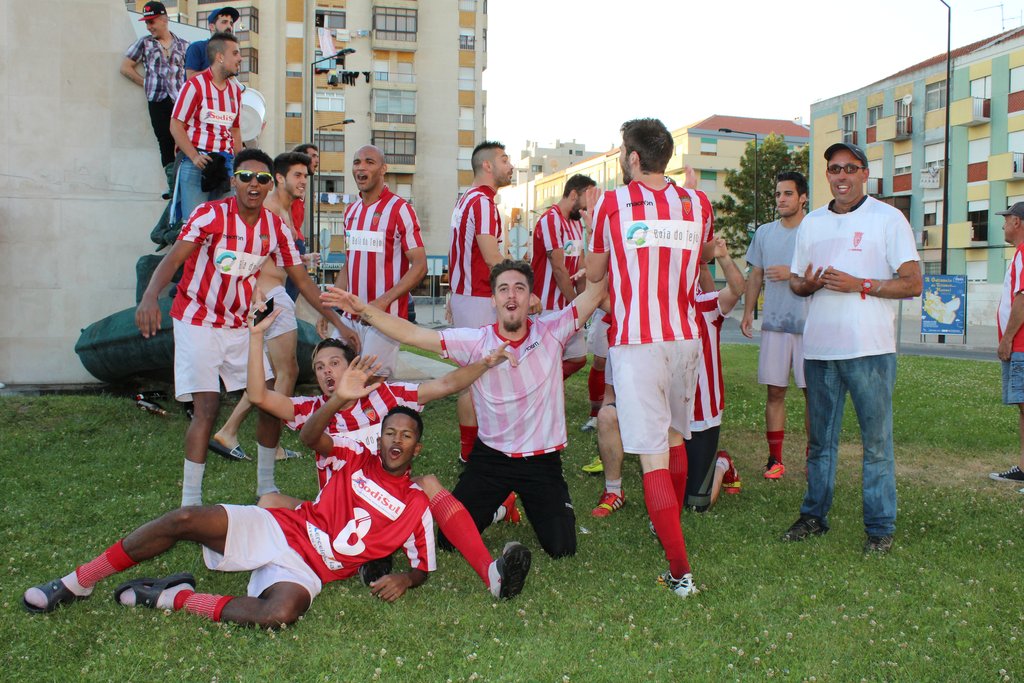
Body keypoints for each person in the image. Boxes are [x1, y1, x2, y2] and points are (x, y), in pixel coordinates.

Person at [22, 406, 489, 626]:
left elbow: (423, 566)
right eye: (390, 432)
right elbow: (309, 438)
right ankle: (77, 581)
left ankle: (172, 597)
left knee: (279, 615)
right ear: (380, 438)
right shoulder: (354, 457)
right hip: (281, 529)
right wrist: (335, 400)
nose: (395, 440)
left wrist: (406, 579)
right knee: (184, 519)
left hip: (309, 570)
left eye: (406, 436)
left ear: (417, 448)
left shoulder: (416, 506)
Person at [322, 260, 607, 558]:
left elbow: (595, 292)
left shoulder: (552, 329)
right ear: (493, 299)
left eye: (519, 288)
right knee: (448, 540)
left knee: (562, 549)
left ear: (530, 296)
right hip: (492, 458)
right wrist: (362, 309)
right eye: (503, 289)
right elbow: (412, 335)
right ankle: (501, 508)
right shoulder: (476, 341)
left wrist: (601, 256)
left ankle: (524, 505)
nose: (511, 295)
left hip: (541, 460)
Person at [135, 148, 345, 507]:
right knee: (207, 406)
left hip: (239, 323)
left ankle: (266, 487)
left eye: (261, 178)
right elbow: (174, 258)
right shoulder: (210, 214)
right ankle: (191, 503)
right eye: (246, 176)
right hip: (197, 319)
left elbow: (302, 280)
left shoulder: (274, 227)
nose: (253, 184)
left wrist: (339, 321)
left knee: (268, 400)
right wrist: (150, 296)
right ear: (234, 181)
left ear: (269, 185)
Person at [585, 118, 716, 598]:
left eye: (624, 151)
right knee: (675, 435)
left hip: (638, 341)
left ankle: (680, 573)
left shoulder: (612, 203)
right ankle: (669, 524)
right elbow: (702, 256)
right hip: (685, 338)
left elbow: (594, 272)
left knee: (653, 455)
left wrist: (594, 234)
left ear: (634, 158)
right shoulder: (697, 202)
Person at [782, 142, 922, 554]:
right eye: (834, 169)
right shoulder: (812, 222)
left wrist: (860, 284)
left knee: (876, 443)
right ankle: (813, 515)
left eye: (849, 168)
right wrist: (808, 284)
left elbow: (913, 283)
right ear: (827, 174)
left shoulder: (888, 218)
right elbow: (796, 281)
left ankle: (879, 528)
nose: (841, 176)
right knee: (820, 442)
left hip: (869, 350)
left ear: (864, 173)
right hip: (820, 350)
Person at [210, 152, 350, 462]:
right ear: (279, 178)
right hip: (270, 297)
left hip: (271, 296)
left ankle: (230, 432)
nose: (303, 181)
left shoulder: (283, 212)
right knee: (287, 371)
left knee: (272, 374)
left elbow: (285, 262)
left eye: (305, 176)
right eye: (297, 175)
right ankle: (267, 446)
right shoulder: (270, 210)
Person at [321, 145, 427, 379]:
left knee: (370, 382)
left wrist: (382, 302)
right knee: (335, 375)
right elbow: (349, 264)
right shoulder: (351, 211)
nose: (361, 168)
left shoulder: (400, 209)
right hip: (350, 317)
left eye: (369, 162)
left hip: (384, 317)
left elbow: (420, 266)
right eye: (357, 162)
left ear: (383, 169)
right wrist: (329, 309)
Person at [740, 171, 811, 480]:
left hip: (811, 327)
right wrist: (748, 312)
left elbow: (826, 271)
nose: (781, 199)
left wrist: (792, 273)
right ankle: (775, 460)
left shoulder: (814, 230)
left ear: (803, 197)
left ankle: (813, 458)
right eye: (778, 194)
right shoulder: (765, 233)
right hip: (775, 325)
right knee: (775, 392)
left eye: (788, 194)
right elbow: (755, 274)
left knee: (813, 395)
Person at [448, 141, 514, 462]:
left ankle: (470, 451)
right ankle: (479, 452)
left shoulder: (464, 199)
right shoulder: (484, 203)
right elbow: (491, 257)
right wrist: (520, 286)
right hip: (478, 298)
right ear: (487, 165)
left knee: (471, 378)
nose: (510, 165)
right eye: (504, 159)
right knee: (482, 377)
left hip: (465, 296)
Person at [170, 31, 242, 226]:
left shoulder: (235, 90)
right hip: (197, 164)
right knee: (195, 226)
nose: (240, 58)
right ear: (220, 57)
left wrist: (241, 165)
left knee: (223, 226)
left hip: (225, 165)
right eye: (235, 53)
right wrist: (194, 156)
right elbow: (176, 124)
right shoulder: (194, 85)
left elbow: (235, 130)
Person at [530, 173, 596, 380]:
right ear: (574, 194)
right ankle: (541, 391)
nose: (588, 206)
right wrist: (576, 305)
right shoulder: (550, 219)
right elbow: (558, 269)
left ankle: (546, 389)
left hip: (568, 304)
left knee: (578, 358)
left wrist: (582, 301)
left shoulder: (575, 223)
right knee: (545, 359)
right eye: (587, 198)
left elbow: (580, 265)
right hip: (547, 306)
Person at [120, 1, 189, 170]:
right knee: (165, 142)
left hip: (178, 101)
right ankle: (171, 180)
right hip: (157, 100)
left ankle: (183, 178)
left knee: (184, 140)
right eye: (147, 23)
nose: (149, 27)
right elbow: (125, 67)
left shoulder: (184, 45)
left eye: (152, 22)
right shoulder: (144, 43)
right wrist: (146, 83)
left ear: (164, 19)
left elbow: (191, 74)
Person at [992, 202, 1024, 489]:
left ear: (1017, 222)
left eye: (1006, 219)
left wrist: (1007, 339)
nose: (1003, 225)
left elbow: (1022, 298)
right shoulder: (1018, 253)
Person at [184, 6, 239, 79]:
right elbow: (190, 78)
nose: (229, 26)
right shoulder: (197, 48)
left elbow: (231, 80)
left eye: (231, 23)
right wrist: (214, 70)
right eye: (224, 22)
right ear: (212, 27)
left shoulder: (230, 52)